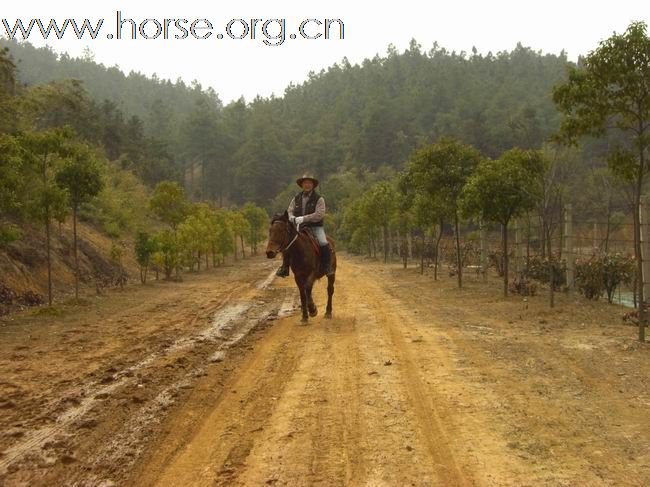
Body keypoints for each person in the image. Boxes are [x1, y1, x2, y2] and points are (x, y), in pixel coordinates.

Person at [276, 173, 334, 277]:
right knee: (287, 243)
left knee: (324, 243)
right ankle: (284, 267)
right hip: (299, 227)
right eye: (305, 183)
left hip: (316, 227)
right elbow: (289, 210)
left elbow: (319, 214)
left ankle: (327, 266)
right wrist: (291, 217)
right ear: (302, 185)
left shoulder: (319, 199)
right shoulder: (296, 198)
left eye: (309, 183)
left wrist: (303, 218)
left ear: (313, 185)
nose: (307, 185)